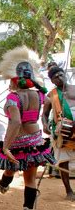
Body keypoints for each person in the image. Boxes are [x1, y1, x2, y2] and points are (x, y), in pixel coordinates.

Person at [0, 46, 55, 210]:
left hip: (18, 140)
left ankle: (3, 185)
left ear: (14, 79)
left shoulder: (13, 98)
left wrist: (5, 146)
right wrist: (43, 120)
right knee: (30, 179)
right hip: (35, 139)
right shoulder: (40, 95)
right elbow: (48, 102)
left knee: (11, 167)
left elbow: (16, 122)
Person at [42, 66, 75, 201]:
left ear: (65, 74)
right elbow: (44, 115)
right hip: (62, 132)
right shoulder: (51, 96)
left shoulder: (74, 88)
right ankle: (69, 191)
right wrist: (45, 125)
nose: (60, 78)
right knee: (63, 161)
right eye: (56, 77)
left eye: (61, 75)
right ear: (52, 81)